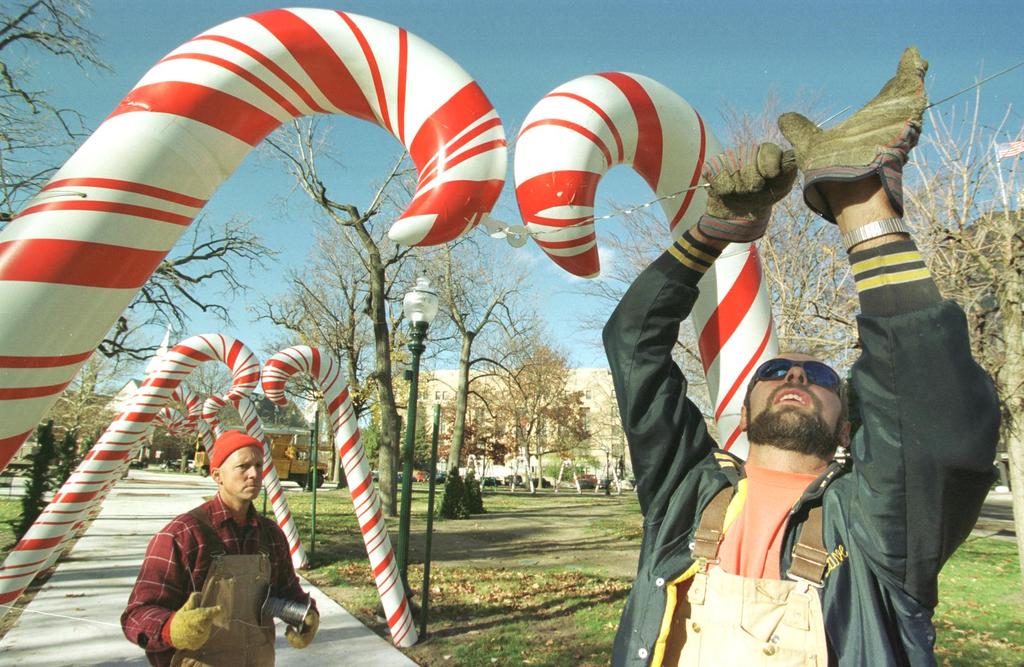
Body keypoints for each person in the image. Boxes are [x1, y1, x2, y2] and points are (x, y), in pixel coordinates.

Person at [604, 48, 1000, 666]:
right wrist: (716, 231)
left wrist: (862, 206)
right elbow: (633, 343)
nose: (793, 373)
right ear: (744, 401)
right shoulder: (686, 493)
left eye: (818, 375)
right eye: (776, 371)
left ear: (846, 423)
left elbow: (932, 412)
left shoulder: (872, 524)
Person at [122, 430, 319, 666]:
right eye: (243, 466)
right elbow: (136, 616)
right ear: (217, 475)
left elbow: (288, 591)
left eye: (258, 465)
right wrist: (170, 629)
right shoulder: (183, 535)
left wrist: (307, 615)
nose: (254, 474)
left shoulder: (271, 536)